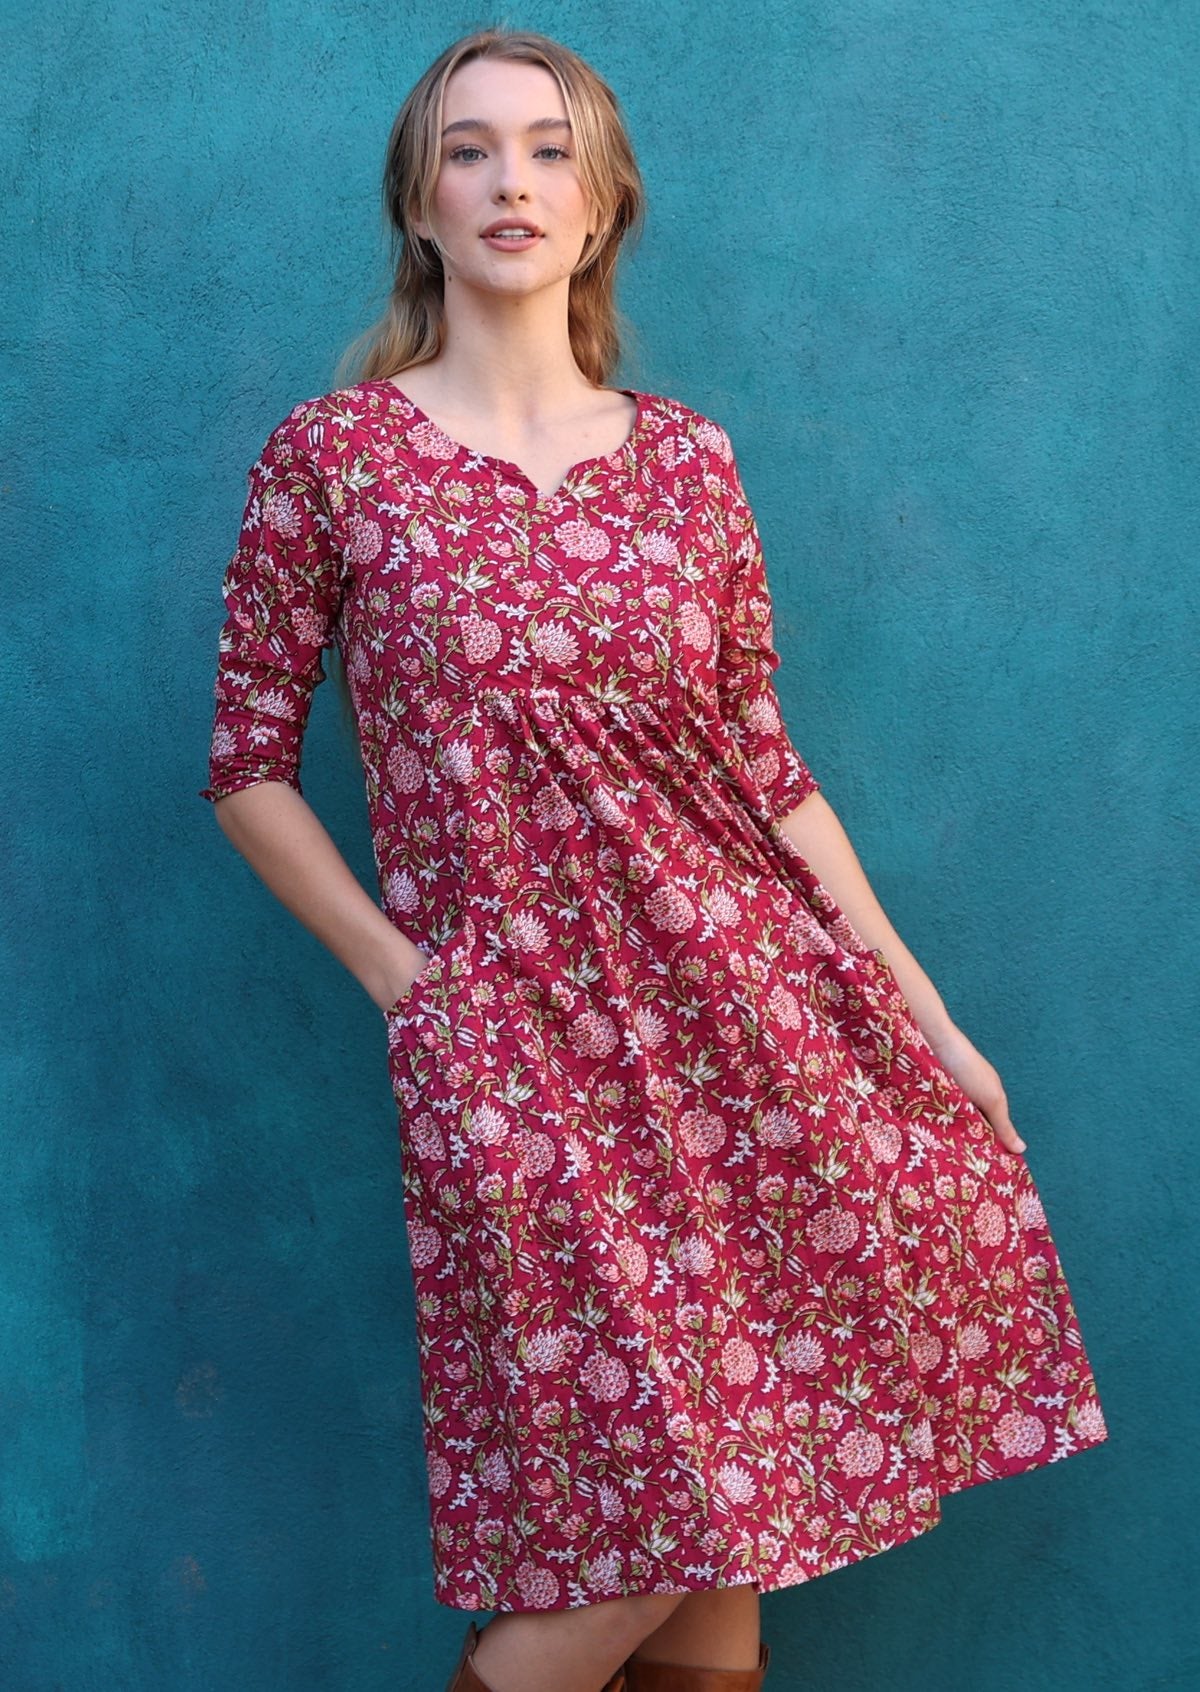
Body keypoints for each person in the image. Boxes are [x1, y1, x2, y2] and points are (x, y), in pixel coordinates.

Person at [198, 27, 1109, 1692]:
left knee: (722, 1556)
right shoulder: (333, 462)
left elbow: (767, 772)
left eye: (548, 150)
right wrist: (413, 989)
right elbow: (247, 766)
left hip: (747, 1016)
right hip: (515, 1041)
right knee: (680, 1498)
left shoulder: (687, 462)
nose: (509, 182)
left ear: (603, 203)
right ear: (417, 200)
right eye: (468, 150)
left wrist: (936, 1024)